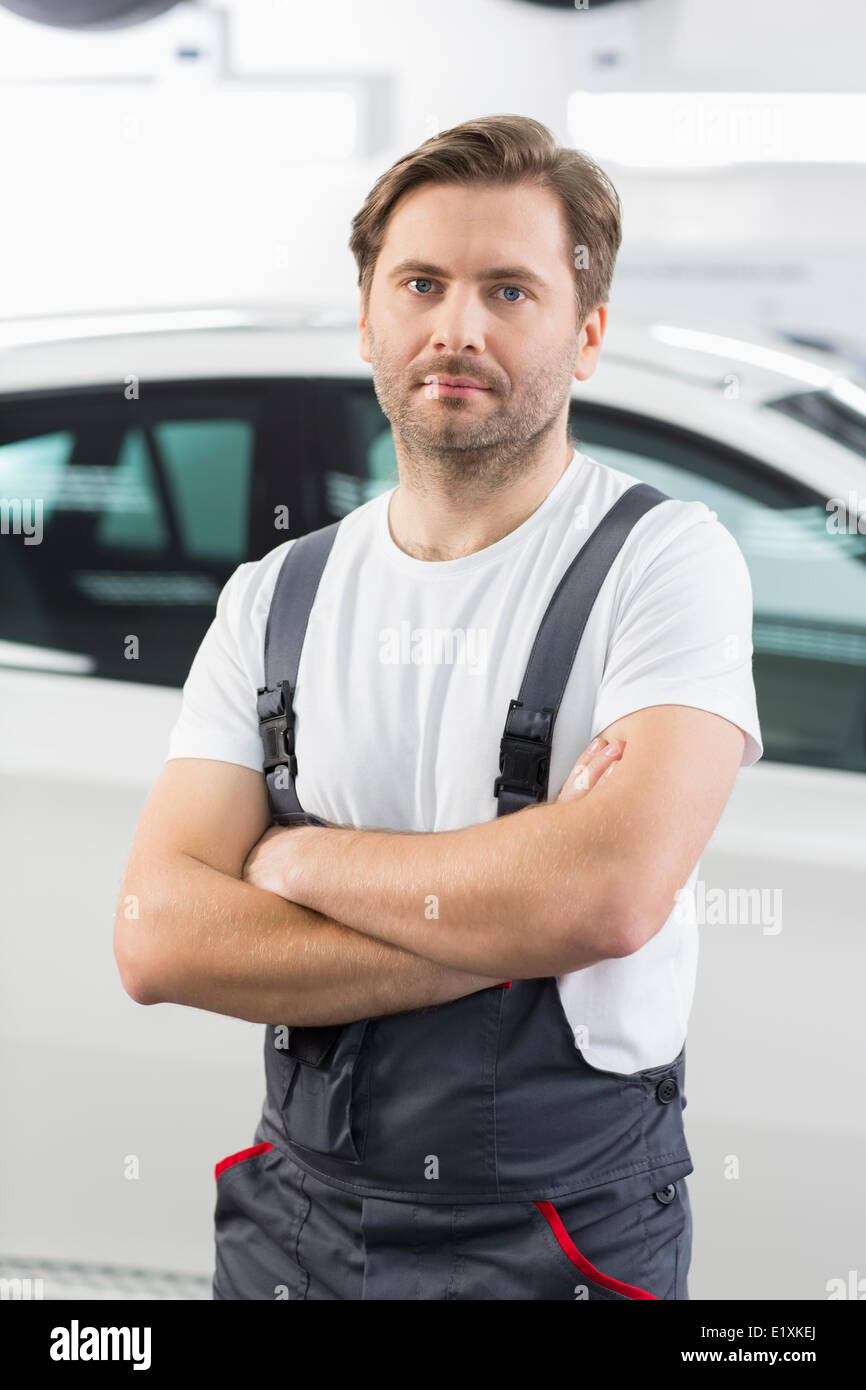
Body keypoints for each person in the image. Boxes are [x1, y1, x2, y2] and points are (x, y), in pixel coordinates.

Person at [114, 114, 763, 1301]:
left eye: (510, 290)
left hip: (559, 1236)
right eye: (421, 283)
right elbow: (158, 935)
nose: (456, 327)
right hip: (294, 1227)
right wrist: (511, 913)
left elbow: (604, 898)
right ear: (370, 315)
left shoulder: (664, 563)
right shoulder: (275, 597)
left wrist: (292, 861)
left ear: (587, 335)